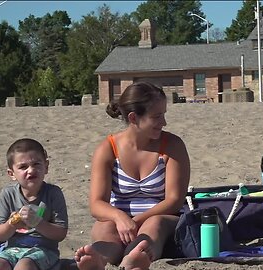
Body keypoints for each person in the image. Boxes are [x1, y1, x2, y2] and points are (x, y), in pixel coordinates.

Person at [74, 82, 191, 270]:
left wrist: (135, 221)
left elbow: (174, 201)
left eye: (164, 115)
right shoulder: (108, 149)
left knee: (154, 224)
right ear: (134, 117)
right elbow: (96, 204)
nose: (164, 123)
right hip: (120, 217)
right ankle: (99, 259)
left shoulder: (172, 146)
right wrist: (120, 218)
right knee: (105, 226)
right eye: (157, 116)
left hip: (162, 216)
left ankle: (134, 258)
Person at [0, 138, 68, 270]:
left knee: (24, 266)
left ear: (46, 167)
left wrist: (38, 222)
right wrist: (11, 224)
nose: (31, 170)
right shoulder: (8, 194)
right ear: (11, 174)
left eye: (36, 164)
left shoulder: (53, 193)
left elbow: (61, 233)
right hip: (12, 249)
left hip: (45, 250)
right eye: (23, 167)